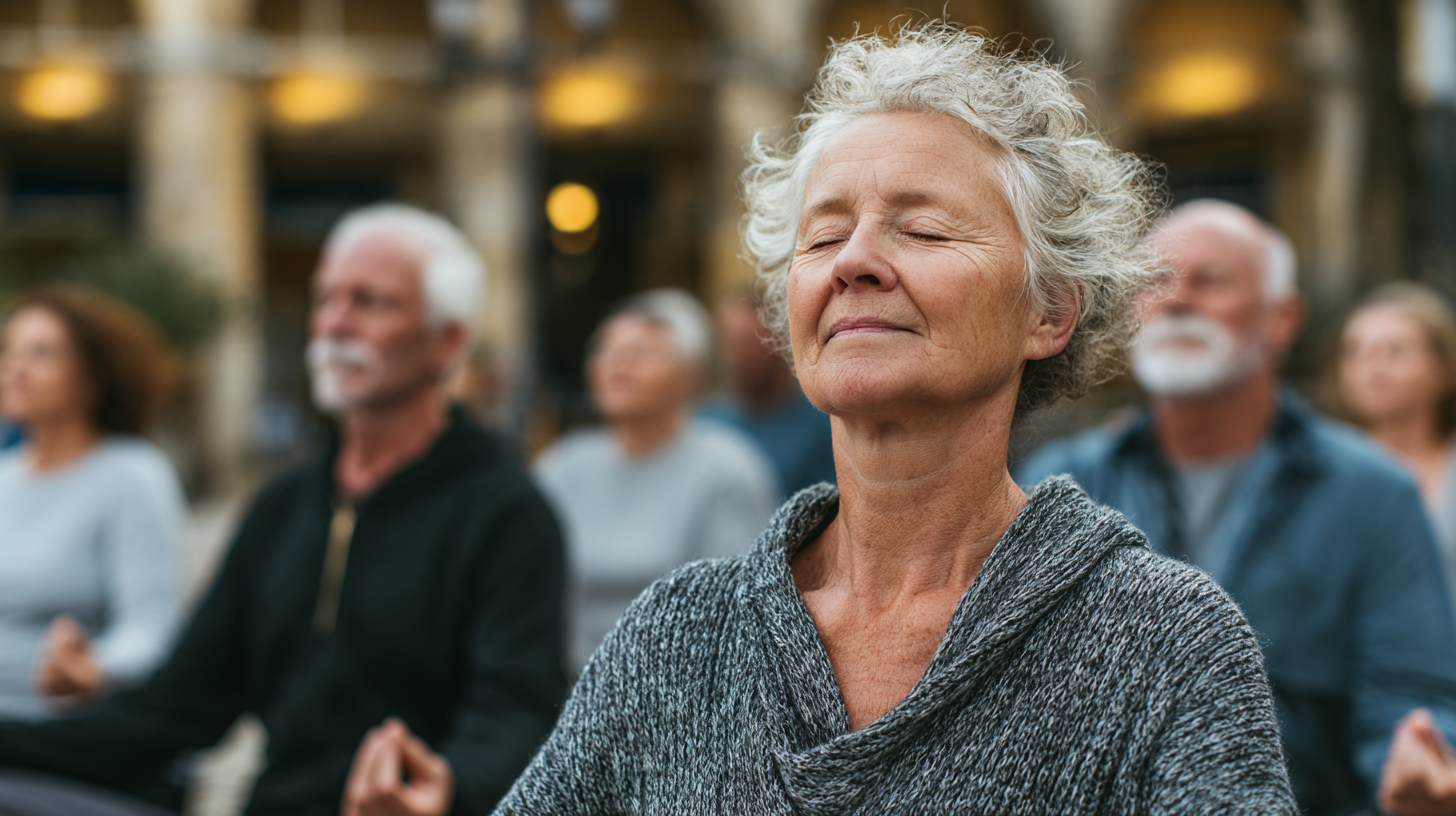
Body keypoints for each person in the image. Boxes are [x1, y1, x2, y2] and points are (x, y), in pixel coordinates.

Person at [496, 26, 1296, 814]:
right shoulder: (675, 637)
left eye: (922, 229)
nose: (853, 261)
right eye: (824, 235)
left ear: (1049, 312)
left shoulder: (1167, 646)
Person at [0, 204, 569, 816]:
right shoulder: (285, 504)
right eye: (326, 299)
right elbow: (172, 710)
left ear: (446, 342)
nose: (335, 323)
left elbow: (515, 715)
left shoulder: (506, 510)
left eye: (370, 302)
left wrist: (446, 789)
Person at [1017, 199, 1456, 816]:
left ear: (1282, 319)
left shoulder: (1374, 494)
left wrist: (1413, 762)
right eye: (1158, 282)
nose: (1177, 301)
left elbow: (1412, 698)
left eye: (1211, 280)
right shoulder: (1061, 483)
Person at [534, 288, 778, 669]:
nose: (618, 364)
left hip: (679, 691)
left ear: (688, 375)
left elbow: (738, 612)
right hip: (565, 688)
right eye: (605, 350)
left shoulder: (727, 469)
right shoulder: (563, 466)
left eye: (640, 353)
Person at [0, 287, 185, 719]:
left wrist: (94, 666)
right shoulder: (4, 477)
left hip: (57, 726)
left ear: (92, 379)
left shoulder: (132, 476)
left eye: (41, 353)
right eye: (9, 349)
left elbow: (151, 629)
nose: (15, 366)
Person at [1336, 282, 1456, 586]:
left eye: (1396, 350)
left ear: (1443, 368)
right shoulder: (1319, 468)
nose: (1372, 367)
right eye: (1355, 351)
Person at [700, 291, 836, 497]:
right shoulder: (705, 425)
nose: (738, 354)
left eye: (749, 341)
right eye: (731, 340)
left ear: (780, 343)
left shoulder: (822, 426)